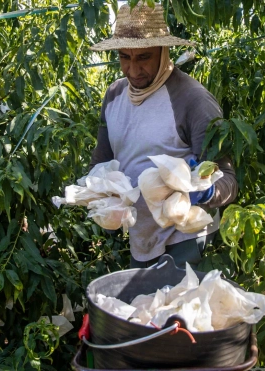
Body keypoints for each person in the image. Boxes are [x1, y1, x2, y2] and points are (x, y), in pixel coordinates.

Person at [89, 2, 237, 269]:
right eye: (125, 57)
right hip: (141, 239)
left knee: (176, 310)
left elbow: (228, 180)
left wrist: (205, 191)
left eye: (143, 57)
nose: (133, 71)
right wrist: (97, 194)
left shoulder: (192, 100)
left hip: (185, 240)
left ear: (163, 51)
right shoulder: (114, 96)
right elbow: (101, 162)